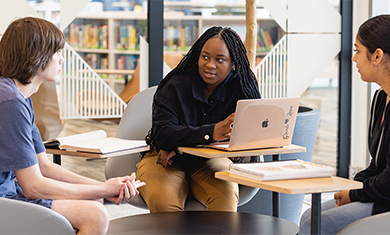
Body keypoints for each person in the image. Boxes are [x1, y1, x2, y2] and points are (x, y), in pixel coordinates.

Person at [0, 17, 145, 235]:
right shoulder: (10, 101)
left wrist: (103, 187)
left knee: (93, 198)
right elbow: (33, 186)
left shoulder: (19, 97)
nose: (62, 60)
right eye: (57, 52)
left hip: (10, 190)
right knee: (96, 215)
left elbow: (44, 167)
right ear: (36, 54)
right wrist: (104, 189)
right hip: (5, 199)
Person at [137, 26, 261, 213]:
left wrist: (181, 142)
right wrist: (211, 133)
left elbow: (250, 135)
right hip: (163, 159)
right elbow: (163, 134)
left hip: (211, 159)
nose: (210, 65)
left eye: (220, 60)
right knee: (165, 203)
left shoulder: (242, 89)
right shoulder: (175, 85)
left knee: (225, 195)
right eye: (205, 57)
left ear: (233, 63)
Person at [299, 14, 390, 235]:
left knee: (318, 224)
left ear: (377, 56)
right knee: (308, 216)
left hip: (386, 202)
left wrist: (355, 193)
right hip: (380, 195)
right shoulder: (380, 98)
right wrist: (351, 187)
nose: (354, 58)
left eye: (357, 50)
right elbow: (376, 165)